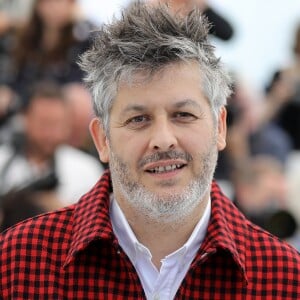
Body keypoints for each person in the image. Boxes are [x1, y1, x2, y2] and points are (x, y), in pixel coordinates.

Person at [1, 2, 299, 299]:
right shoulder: (18, 264)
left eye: (183, 115)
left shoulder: (285, 279)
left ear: (220, 127)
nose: (164, 139)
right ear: (102, 139)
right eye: (138, 119)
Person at [0, 81, 104, 206]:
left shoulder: (86, 169)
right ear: (25, 119)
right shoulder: (3, 161)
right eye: (44, 123)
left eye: (58, 124)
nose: (50, 133)